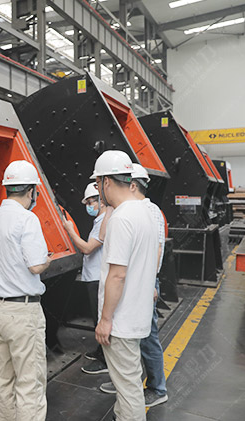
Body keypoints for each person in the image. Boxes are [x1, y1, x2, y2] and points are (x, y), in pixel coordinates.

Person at [92, 151, 159, 421]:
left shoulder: (121, 219)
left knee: (128, 388)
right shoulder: (146, 213)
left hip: (121, 321)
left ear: (106, 182)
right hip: (137, 315)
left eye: (97, 183)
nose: (98, 190)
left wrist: (105, 319)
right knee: (129, 382)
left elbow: (117, 275)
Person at [0, 160, 52, 421]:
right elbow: (35, 266)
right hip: (23, 313)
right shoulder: (27, 219)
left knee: (3, 379)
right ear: (32, 191)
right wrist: (47, 260)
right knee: (29, 383)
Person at [61, 183, 110, 375]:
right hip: (93, 277)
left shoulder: (105, 221)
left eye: (91, 202)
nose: (89, 206)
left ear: (101, 201)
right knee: (97, 318)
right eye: (87, 203)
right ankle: (101, 350)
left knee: (100, 319)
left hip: (98, 278)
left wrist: (70, 230)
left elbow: (87, 248)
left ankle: (106, 360)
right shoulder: (99, 221)